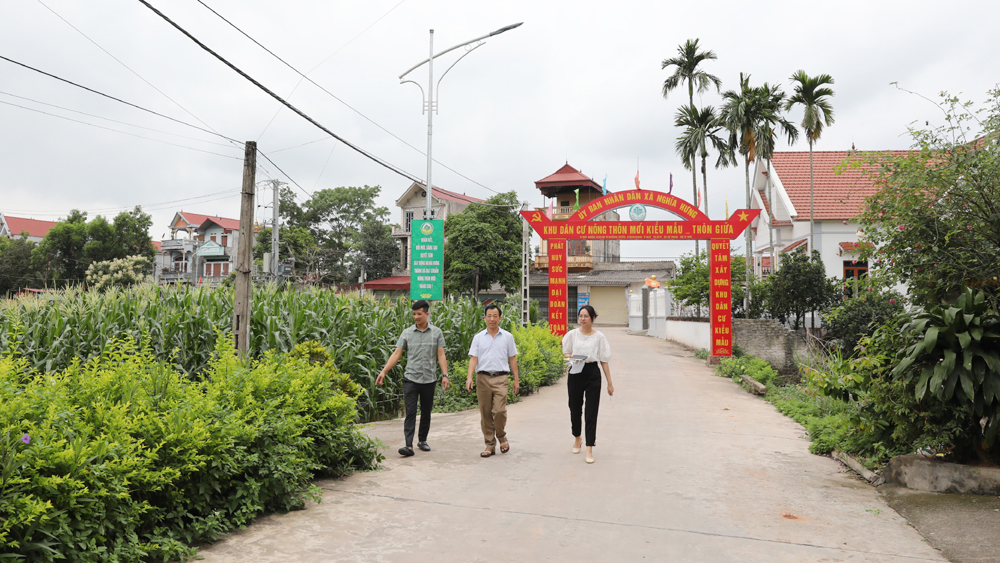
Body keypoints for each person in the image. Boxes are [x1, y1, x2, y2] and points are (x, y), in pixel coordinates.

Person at [376, 300, 450, 457]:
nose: (416, 317)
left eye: (419, 314)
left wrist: (445, 375)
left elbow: (441, 354)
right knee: (410, 411)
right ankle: (408, 445)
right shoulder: (407, 333)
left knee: (426, 412)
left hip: (429, 379)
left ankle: (422, 441)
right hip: (411, 379)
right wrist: (383, 371)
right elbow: (397, 353)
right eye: (414, 314)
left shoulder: (436, 333)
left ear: (427, 314)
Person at [561, 305, 614, 464]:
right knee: (574, 407)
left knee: (591, 411)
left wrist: (609, 383)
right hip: (576, 372)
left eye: (586, 316)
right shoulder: (572, 335)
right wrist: (569, 355)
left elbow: (604, 361)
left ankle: (590, 447)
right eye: (580, 316)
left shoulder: (599, 337)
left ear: (593, 318)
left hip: (592, 373)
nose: (582, 319)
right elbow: (566, 352)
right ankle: (577, 437)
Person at [466, 303, 520, 458]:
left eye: (495, 316)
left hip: (501, 378)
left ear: (500, 318)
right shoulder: (478, 338)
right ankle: (490, 445)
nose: (492, 319)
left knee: (499, 411)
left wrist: (516, 380)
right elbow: (473, 359)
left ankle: (502, 437)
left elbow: (512, 359)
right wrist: (469, 377)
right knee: (485, 413)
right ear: (484, 318)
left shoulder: (507, 337)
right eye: (489, 316)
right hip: (482, 378)